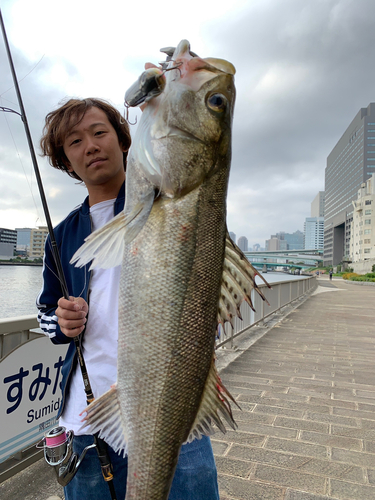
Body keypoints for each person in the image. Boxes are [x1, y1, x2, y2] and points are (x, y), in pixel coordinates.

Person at [36, 98, 220, 500]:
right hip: (86, 424)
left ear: (124, 141)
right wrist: (61, 323)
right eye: (75, 141)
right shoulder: (61, 236)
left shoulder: (168, 203)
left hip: (174, 415)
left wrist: (179, 101)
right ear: (67, 161)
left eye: (100, 132)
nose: (90, 146)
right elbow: (45, 313)